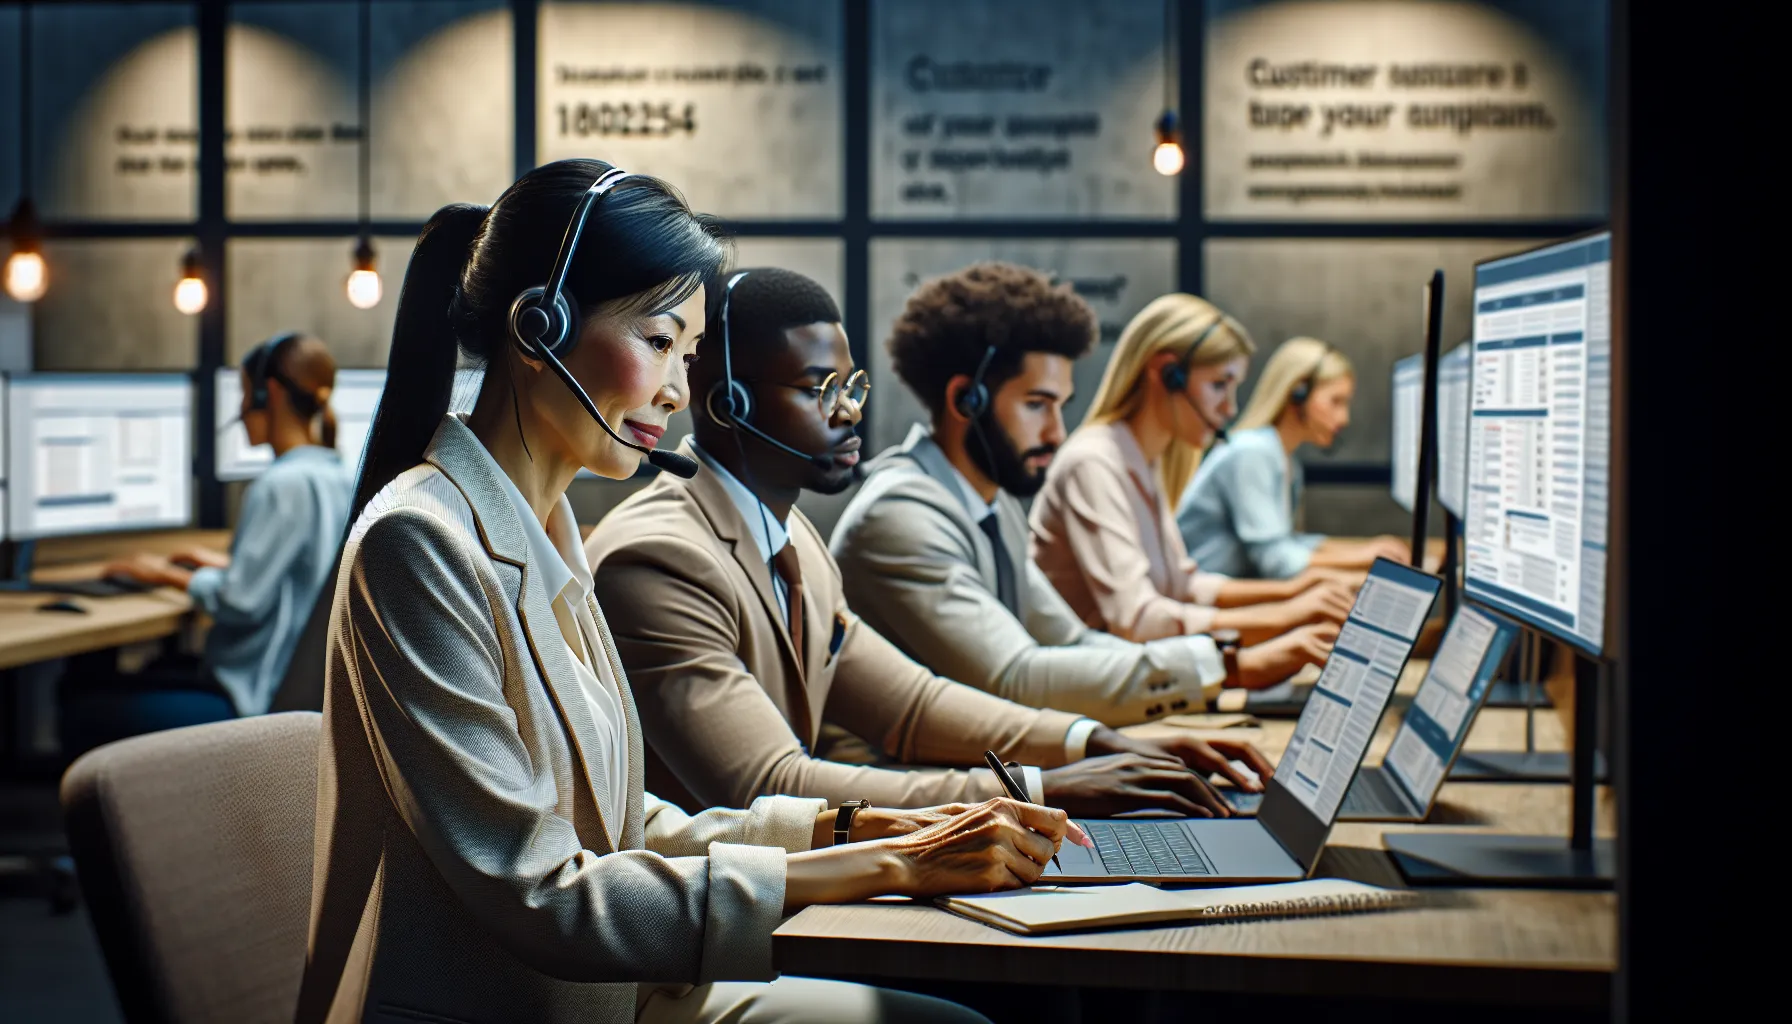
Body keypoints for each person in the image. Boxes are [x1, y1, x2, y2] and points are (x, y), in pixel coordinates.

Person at [298, 161, 1054, 1024]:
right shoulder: (420, 542)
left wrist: (847, 832)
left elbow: (618, 823)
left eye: (685, 355)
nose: (675, 390)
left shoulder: (546, 530)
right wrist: (891, 868)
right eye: (658, 343)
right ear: (539, 327)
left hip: (613, 993)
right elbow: (542, 892)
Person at [586, 265, 1271, 822]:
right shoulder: (660, 560)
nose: (850, 412)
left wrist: (1088, 742)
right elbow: (768, 783)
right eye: (819, 389)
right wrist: (1042, 788)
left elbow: (913, 704)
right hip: (716, 943)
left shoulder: (794, 541)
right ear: (729, 404)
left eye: (850, 387)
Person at [831, 263, 1316, 726]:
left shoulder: (992, 505)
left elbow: (1072, 641)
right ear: (966, 400)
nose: (1058, 433)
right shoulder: (900, 516)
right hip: (894, 802)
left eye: (1060, 407)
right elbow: (1014, 677)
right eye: (1037, 405)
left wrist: (1217, 665)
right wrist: (1229, 669)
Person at [1028, 293, 1348, 670]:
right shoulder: (1094, 462)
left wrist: (1291, 593)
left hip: (1135, 680)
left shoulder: (1147, 458)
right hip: (1088, 690)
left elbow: (1184, 586)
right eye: (1218, 385)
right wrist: (1287, 617)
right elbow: (1139, 621)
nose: (1229, 408)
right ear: (1167, 373)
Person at [67, 332, 353, 752]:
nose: (239, 411)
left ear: (267, 392)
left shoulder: (281, 484)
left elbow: (241, 601)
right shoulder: (338, 475)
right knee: (157, 669)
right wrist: (220, 565)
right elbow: (304, 573)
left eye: (243, 395)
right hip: (303, 706)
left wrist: (162, 573)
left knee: (79, 704)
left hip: (252, 706)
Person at [1177, 335, 1410, 578]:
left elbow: (1286, 541)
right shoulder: (1252, 453)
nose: (1344, 418)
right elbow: (1276, 561)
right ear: (1297, 392)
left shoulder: (1284, 459)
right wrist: (1361, 561)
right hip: (1202, 602)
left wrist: (1365, 551)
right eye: (1336, 401)